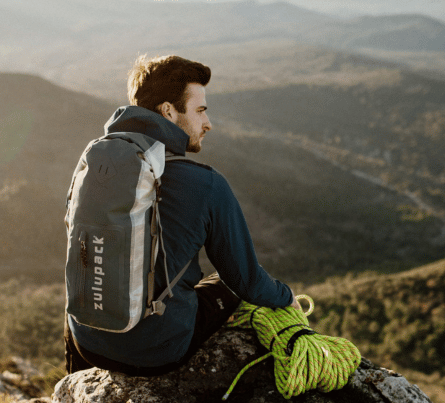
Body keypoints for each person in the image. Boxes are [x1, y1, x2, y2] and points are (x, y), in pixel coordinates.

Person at [64, 54, 299, 377]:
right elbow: (248, 282)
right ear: (168, 111)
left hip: (86, 343)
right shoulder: (205, 183)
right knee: (226, 286)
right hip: (158, 352)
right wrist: (287, 298)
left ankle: (73, 389)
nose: (208, 123)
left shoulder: (96, 163)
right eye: (200, 110)